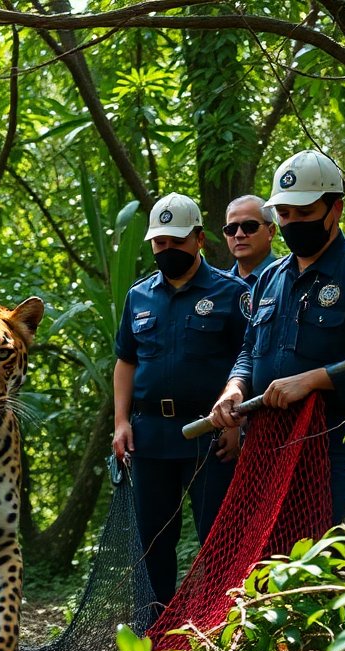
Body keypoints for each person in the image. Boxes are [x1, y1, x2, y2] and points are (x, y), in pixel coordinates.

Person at [207, 149, 345, 552]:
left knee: (343, 555)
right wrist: (234, 389)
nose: (292, 223)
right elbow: (250, 348)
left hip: (340, 445)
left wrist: (316, 380)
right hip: (271, 443)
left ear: (334, 209)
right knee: (271, 559)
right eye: (284, 214)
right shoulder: (269, 278)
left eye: (303, 212)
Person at [112, 192, 250, 618]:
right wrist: (120, 421)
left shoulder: (232, 293)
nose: (167, 249)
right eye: (159, 243)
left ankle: (221, 626)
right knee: (154, 541)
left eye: (176, 240)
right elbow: (125, 361)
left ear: (198, 239)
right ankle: (154, 632)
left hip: (210, 434)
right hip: (150, 435)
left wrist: (235, 422)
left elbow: (249, 359)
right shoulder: (139, 297)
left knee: (219, 537)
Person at [223, 194, 278, 290]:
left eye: (250, 227)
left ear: (271, 231)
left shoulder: (288, 279)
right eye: (231, 229)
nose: (239, 235)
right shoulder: (218, 287)